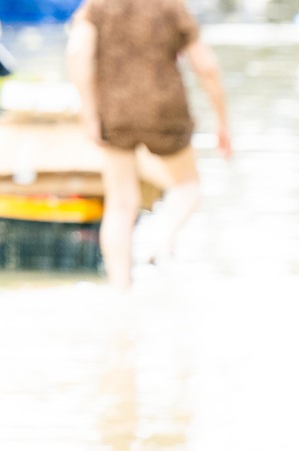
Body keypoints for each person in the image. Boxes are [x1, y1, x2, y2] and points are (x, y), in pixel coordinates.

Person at [66, 0, 232, 289]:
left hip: (115, 112)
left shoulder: (99, 6)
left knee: (119, 205)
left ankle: (121, 289)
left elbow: (77, 53)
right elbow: (206, 67)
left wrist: (90, 112)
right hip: (165, 109)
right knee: (188, 186)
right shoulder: (170, 6)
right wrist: (222, 121)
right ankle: (160, 240)